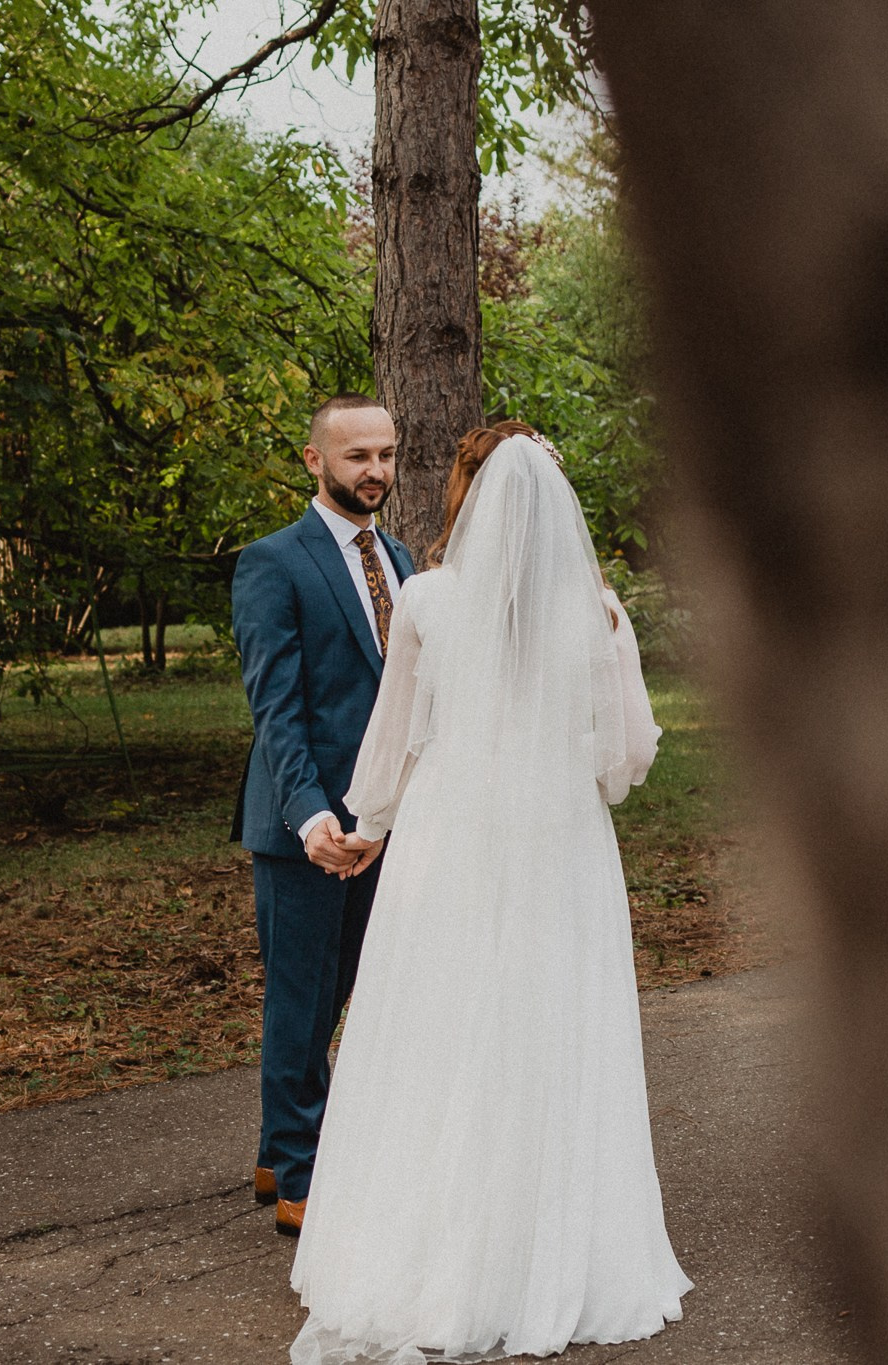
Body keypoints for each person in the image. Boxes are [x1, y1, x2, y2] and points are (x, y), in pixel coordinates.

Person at [288, 423, 692, 1363]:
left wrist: (369, 826)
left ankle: (428, 1248)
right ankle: (549, 1248)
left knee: (443, 1033)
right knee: (551, 1033)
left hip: (449, 842)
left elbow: (391, 742)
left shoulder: (426, 600)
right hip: (559, 845)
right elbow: (626, 758)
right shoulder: (597, 614)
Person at [231, 393, 416, 1237]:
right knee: (302, 1005)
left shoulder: (406, 561)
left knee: (359, 994)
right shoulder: (274, 561)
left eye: (383, 454)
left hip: (386, 827)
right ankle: (300, 1177)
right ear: (315, 461)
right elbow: (276, 706)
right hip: (305, 829)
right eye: (356, 457)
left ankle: (277, 1149)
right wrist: (313, 819)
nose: (374, 470)